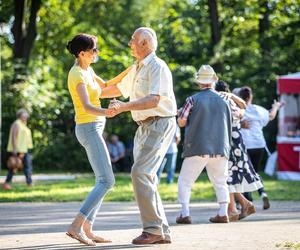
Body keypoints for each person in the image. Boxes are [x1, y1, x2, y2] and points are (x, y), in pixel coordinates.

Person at [101, 27, 177, 244]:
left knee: (140, 172)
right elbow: (115, 89)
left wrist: (124, 107)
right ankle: (161, 232)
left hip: (159, 122)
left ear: (145, 43)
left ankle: (153, 230)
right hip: (144, 126)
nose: (129, 43)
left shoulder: (157, 66)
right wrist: (85, 93)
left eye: (132, 39)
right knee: (146, 176)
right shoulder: (137, 68)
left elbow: (154, 100)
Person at [65, 33, 129, 246]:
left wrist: (133, 70)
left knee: (102, 181)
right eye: (94, 50)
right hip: (88, 128)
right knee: (107, 181)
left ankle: (88, 228)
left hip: (94, 128)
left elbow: (107, 87)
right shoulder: (77, 75)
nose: (97, 53)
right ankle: (76, 226)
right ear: (82, 53)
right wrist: (108, 113)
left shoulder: (88, 70)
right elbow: (87, 106)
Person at [176, 65, 232, 224]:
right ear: (214, 81)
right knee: (220, 181)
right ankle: (223, 213)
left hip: (197, 146)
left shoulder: (192, 99)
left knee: (185, 181)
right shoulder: (225, 100)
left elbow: (181, 122)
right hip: (221, 147)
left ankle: (185, 213)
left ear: (199, 82)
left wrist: (180, 114)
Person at [215, 81, 263, 221]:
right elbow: (243, 107)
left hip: (228, 144)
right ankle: (240, 206)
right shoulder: (235, 105)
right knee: (228, 177)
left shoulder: (222, 104)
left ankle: (235, 209)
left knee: (226, 177)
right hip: (238, 145)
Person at [238, 86, 283, 209]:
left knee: (244, 172)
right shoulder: (259, 110)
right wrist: (276, 107)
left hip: (245, 145)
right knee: (255, 172)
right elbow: (271, 116)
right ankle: (262, 193)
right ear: (251, 96)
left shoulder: (239, 110)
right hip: (259, 145)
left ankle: (248, 201)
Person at [2, 109, 33, 190]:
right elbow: (14, 137)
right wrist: (15, 149)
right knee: (15, 167)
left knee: (22, 167)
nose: (25, 117)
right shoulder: (16, 124)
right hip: (19, 149)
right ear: (20, 116)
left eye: (26, 116)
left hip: (25, 149)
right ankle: (28, 183)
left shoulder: (24, 124)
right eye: (24, 115)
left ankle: (28, 183)